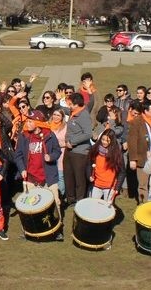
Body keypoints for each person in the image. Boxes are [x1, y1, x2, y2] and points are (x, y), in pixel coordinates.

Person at [14, 109, 63, 241]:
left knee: (55, 203)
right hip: (30, 177)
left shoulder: (50, 135)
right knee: (29, 205)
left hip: (48, 176)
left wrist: (51, 157)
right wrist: (22, 168)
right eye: (27, 121)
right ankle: (29, 231)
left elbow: (57, 152)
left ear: (37, 122)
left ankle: (57, 231)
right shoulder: (23, 136)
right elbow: (17, 155)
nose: (27, 123)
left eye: (30, 121)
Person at [62, 72, 96, 206]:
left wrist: (73, 142)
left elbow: (88, 134)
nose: (69, 106)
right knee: (68, 175)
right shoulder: (73, 112)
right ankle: (70, 199)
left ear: (76, 103)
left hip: (80, 152)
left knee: (79, 177)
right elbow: (62, 109)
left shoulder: (84, 114)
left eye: (70, 104)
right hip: (69, 151)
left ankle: (80, 200)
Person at [129, 101, 151, 203]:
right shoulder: (136, 122)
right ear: (145, 111)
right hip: (143, 159)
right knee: (143, 184)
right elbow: (132, 141)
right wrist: (133, 159)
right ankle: (143, 204)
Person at [89, 128, 123, 202]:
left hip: (110, 187)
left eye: (107, 140)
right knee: (93, 206)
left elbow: (122, 172)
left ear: (112, 141)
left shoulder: (117, 154)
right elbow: (89, 164)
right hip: (96, 185)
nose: (104, 142)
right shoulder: (95, 149)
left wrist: (117, 188)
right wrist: (89, 175)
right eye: (103, 139)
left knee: (107, 210)